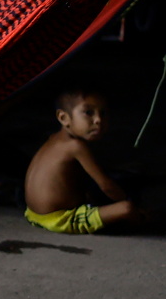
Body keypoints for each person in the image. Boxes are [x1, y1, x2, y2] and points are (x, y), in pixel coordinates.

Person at [23, 88, 144, 235]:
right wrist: (128, 203)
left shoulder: (54, 138)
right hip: (61, 219)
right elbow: (107, 187)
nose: (98, 120)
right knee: (127, 208)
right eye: (88, 113)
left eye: (103, 113)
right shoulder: (76, 146)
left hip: (32, 213)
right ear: (63, 118)